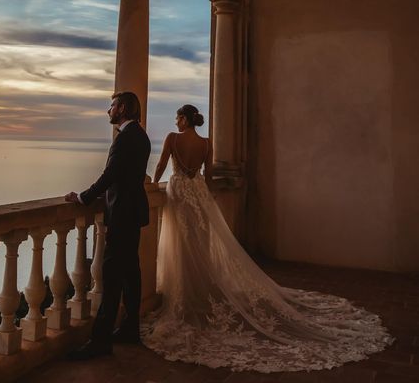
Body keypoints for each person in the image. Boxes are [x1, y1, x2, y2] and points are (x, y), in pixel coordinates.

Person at [141, 104, 393, 373]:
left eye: (178, 117)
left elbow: (161, 164)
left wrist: (153, 184)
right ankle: (200, 292)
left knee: (181, 245)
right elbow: (211, 177)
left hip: (180, 192)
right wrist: (203, 197)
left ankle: (187, 294)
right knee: (200, 244)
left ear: (185, 118)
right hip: (199, 194)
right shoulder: (205, 143)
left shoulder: (172, 138)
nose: (175, 121)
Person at [65, 91, 151, 360]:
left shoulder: (125, 139)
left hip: (123, 215)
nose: (108, 111)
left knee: (112, 276)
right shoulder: (141, 136)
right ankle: (130, 329)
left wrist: (83, 197)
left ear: (123, 108)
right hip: (133, 212)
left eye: (112, 106)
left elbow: (110, 175)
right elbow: (125, 176)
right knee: (130, 274)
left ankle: (100, 341)